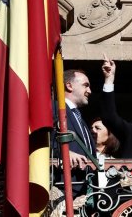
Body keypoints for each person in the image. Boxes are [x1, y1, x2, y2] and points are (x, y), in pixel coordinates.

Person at [52, 69, 97, 198]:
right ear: (69, 85)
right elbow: (44, 140)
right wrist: (63, 151)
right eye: (85, 85)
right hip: (63, 188)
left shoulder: (78, 117)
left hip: (85, 190)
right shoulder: (55, 108)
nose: (89, 91)